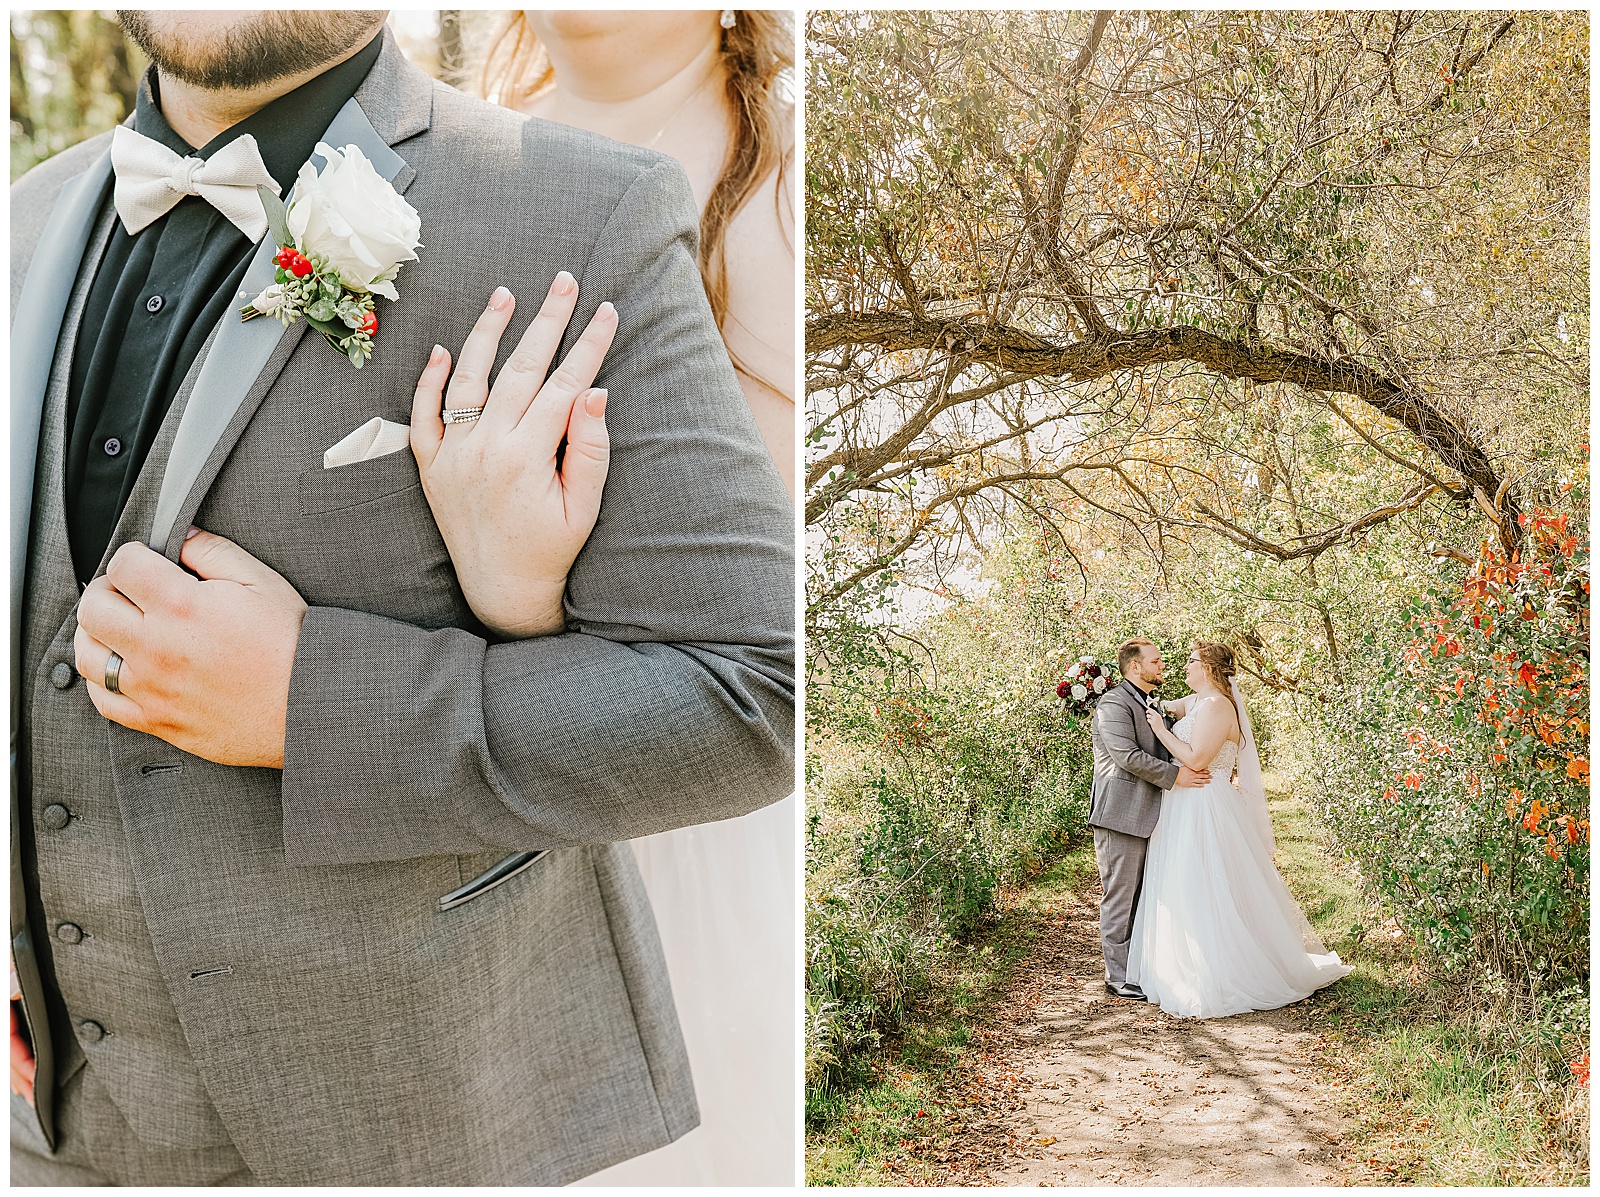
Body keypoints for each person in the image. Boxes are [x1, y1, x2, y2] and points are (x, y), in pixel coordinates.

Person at [9, 11, 793, 1185]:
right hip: (55, 1132)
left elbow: (755, 692)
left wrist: (307, 704)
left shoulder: (584, 211)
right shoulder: (23, 222)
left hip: (405, 1131)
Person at [459, 11, 797, 1185]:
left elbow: (762, 555)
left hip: (672, 768)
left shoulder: (776, 169)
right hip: (460, 744)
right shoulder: (448, 146)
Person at [1128, 644, 1352, 1018]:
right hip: (1183, 802)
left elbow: (1197, 758)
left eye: (1191, 662)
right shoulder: (1199, 701)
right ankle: (1182, 965)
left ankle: (1222, 970)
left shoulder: (1218, 706)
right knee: (1182, 881)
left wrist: (1159, 731)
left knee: (1208, 882)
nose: (1184, 666)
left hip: (1205, 801)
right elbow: (1163, 705)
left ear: (1210, 669)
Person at [1087, 638, 1211, 1000]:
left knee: (1146, 896)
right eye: (1155, 662)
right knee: (1121, 896)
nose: (1162, 667)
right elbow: (1127, 756)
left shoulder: (1150, 701)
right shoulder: (1113, 703)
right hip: (1121, 813)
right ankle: (1118, 976)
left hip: (1155, 812)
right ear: (1135, 666)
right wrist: (1177, 777)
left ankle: (1141, 968)